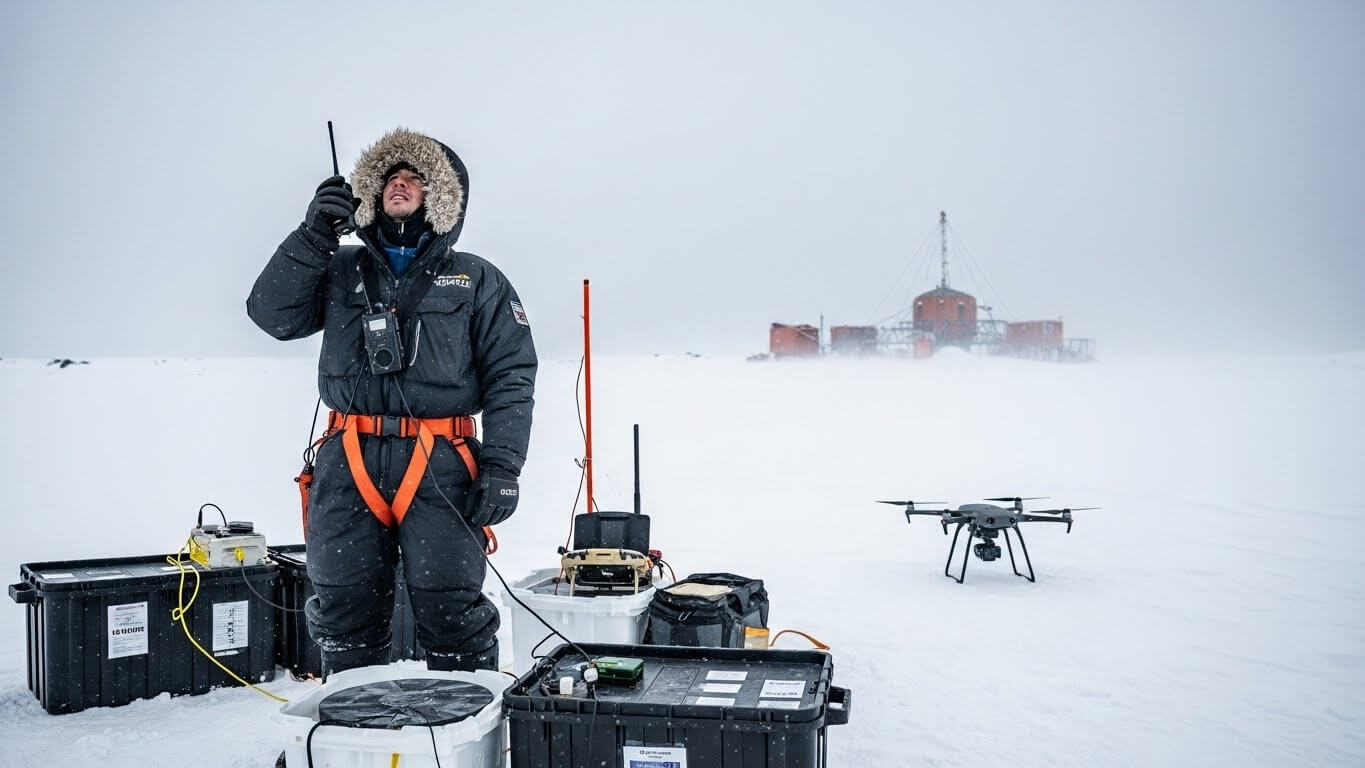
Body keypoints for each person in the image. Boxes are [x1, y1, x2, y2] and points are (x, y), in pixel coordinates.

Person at [247, 128, 536, 674]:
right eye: (390, 179)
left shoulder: (476, 278)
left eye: (415, 179)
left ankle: (461, 743)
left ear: (441, 197)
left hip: (441, 464)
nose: (399, 185)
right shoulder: (337, 268)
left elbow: (512, 375)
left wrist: (502, 467)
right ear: (372, 193)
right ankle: (358, 742)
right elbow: (272, 316)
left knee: (453, 612)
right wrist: (313, 236)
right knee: (343, 610)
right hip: (346, 459)